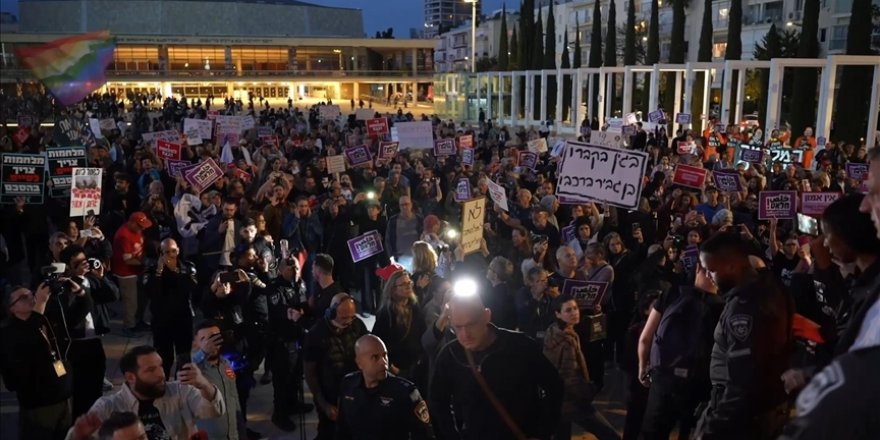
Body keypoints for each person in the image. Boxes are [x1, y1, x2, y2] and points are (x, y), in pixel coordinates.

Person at [694, 232, 793, 439]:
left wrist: (713, 427)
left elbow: (743, 380)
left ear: (730, 266)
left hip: (744, 416)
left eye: (711, 270)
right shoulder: (769, 287)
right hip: (766, 406)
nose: (708, 276)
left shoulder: (744, 309)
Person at [430, 286, 563, 440]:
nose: (465, 334)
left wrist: (542, 432)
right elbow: (438, 402)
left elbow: (555, 386)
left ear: (487, 316)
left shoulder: (520, 346)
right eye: (458, 327)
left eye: (471, 324)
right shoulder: (450, 356)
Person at [636, 263, 723, 440]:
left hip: (663, 377)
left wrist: (642, 366)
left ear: (698, 267)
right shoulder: (723, 305)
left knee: (653, 432)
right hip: (699, 382)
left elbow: (645, 337)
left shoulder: (672, 293)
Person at [67, 345, 225, 440]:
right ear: (130, 377)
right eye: (151, 370)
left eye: (160, 366)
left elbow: (214, 411)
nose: (161, 374)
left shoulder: (180, 390)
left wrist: (204, 385)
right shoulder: (109, 407)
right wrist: (79, 436)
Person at [54, 244, 119, 418]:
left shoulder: (91, 280)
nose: (85, 264)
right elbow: (69, 316)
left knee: (96, 387)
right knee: (79, 392)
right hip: (74, 346)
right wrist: (77, 288)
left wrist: (102, 277)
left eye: (85, 260)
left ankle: (95, 421)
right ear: (69, 265)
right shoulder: (64, 288)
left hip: (94, 342)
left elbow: (113, 295)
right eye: (79, 262)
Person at [0, 284, 73, 440]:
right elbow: (27, 345)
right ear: (12, 308)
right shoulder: (9, 333)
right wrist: (39, 304)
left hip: (62, 394)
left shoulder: (42, 320)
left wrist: (80, 291)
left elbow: (76, 315)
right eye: (23, 297)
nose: (31, 297)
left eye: (30, 294)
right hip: (39, 402)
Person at [543, 294, 619, 440]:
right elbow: (568, 374)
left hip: (559, 399)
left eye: (576, 308)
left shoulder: (554, 331)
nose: (574, 313)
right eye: (568, 310)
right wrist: (586, 391)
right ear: (558, 314)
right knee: (609, 434)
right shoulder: (566, 341)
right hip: (571, 400)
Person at [334, 335, 432, 440]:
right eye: (375, 357)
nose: (384, 362)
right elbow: (342, 429)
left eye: (385, 355)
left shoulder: (405, 392)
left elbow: (423, 434)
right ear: (359, 362)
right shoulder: (349, 384)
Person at [303, 293, 369, 440]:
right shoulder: (316, 334)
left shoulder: (357, 325)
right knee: (329, 432)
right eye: (344, 317)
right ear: (331, 312)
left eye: (352, 317)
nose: (349, 322)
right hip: (329, 395)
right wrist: (323, 403)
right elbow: (310, 373)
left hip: (354, 391)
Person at [265, 256, 314, 431]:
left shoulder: (299, 283)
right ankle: (280, 414)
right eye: (289, 267)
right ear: (280, 269)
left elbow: (305, 305)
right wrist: (300, 311)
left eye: (295, 267)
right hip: (282, 341)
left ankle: (293, 404)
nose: (293, 270)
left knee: (295, 375)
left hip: (298, 337)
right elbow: (282, 311)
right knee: (282, 379)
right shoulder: (274, 288)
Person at [143, 238, 198, 377]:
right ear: (160, 253)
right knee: (163, 358)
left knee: (184, 357)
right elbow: (150, 291)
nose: (171, 255)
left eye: (173, 251)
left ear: (178, 250)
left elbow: (191, 288)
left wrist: (176, 272)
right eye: (166, 252)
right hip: (162, 320)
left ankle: (184, 387)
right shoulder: (152, 269)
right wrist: (159, 271)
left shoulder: (187, 267)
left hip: (182, 319)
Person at [191, 321, 244, 440]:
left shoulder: (226, 364)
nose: (212, 343)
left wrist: (242, 431)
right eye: (205, 339)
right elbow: (184, 369)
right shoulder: (194, 370)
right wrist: (203, 352)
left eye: (215, 338)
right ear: (196, 344)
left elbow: (234, 399)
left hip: (233, 435)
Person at [372, 270, 425, 382]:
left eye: (409, 283)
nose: (408, 286)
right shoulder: (386, 314)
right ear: (393, 290)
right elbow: (378, 342)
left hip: (417, 365)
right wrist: (393, 368)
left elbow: (422, 331)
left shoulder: (415, 307)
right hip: (398, 369)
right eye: (403, 284)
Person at [112, 211, 152, 335]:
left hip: (137, 270)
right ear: (132, 223)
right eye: (140, 226)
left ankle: (138, 321)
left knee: (141, 298)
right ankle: (128, 326)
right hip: (126, 272)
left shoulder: (137, 231)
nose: (143, 228)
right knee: (131, 301)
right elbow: (127, 259)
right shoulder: (124, 235)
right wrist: (144, 263)